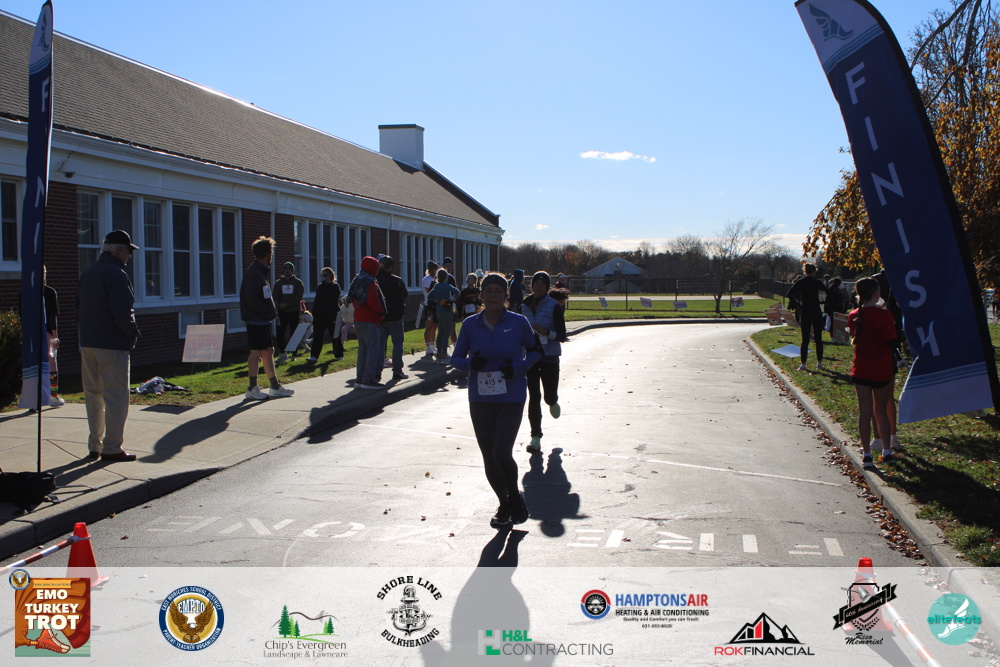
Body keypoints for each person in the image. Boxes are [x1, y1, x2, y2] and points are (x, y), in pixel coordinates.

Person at [450, 273, 542, 528]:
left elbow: (536, 350)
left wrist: (518, 368)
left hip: (511, 395)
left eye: (498, 291)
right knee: (489, 456)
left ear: (505, 296)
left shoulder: (519, 322)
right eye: (488, 291)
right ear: (481, 295)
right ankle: (505, 504)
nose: (493, 295)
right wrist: (471, 363)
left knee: (501, 451)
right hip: (480, 397)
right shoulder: (470, 325)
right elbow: (455, 359)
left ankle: (514, 496)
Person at [75, 230, 141, 461]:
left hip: (88, 343)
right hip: (113, 344)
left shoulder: (88, 273)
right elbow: (123, 311)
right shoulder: (117, 275)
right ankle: (112, 447)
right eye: (128, 251)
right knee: (115, 397)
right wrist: (132, 333)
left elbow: (78, 306)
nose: (129, 256)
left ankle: (95, 444)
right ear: (118, 250)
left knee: (93, 395)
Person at [848, 277, 900, 469]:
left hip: (861, 368)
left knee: (865, 412)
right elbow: (892, 341)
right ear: (876, 293)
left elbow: (854, 336)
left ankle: (867, 454)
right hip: (881, 369)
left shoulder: (853, 315)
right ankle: (887, 451)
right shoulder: (884, 315)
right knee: (881, 411)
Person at [240, 236, 294, 400]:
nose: (272, 255)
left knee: (268, 350)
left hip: (261, 318)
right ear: (266, 254)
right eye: (271, 252)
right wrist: (267, 311)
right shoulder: (254, 274)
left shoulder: (259, 272)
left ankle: (274, 386)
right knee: (256, 351)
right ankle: (252, 387)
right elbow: (252, 299)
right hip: (256, 319)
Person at [519, 271, 566, 453]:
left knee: (548, 396)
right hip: (530, 357)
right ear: (531, 286)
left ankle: (553, 401)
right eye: (535, 284)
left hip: (549, 357)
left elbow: (562, 335)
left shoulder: (553, 306)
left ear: (547, 287)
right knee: (534, 397)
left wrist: (546, 332)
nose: (538, 287)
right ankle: (535, 437)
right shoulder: (523, 306)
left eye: (542, 284)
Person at [348, 256, 386, 389]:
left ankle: (360, 378)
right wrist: (381, 311)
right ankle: (368, 379)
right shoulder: (371, 282)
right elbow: (373, 300)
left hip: (358, 318)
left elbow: (352, 298)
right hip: (369, 319)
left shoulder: (357, 279)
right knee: (373, 350)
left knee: (363, 350)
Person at [786, 263, 829, 371]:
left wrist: (797, 302)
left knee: (805, 339)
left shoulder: (800, 282)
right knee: (818, 338)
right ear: (814, 271)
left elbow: (789, 294)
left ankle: (803, 364)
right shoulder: (817, 282)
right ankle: (819, 362)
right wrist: (823, 302)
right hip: (816, 310)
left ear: (805, 271)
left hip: (805, 310)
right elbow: (828, 292)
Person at [376, 255, 409, 380]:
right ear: (391, 267)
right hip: (396, 317)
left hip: (380, 317)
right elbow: (405, 295)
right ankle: (397, 371)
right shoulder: (397, 281)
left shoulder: (375, 281)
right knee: (398, 345)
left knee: (379, 346)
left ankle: (377, 371)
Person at [308, 267, 344, 362]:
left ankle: (339, 354)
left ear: (330, 276)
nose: (323, 277)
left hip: (332, 315)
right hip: (320, 315)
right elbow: (317, 301)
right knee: (317, 336)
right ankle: (314, 356)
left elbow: (333, 301)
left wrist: (335, 317)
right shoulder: (320, 287)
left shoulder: (335, 286)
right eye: (322, 275)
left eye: (325, 275)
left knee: (335, 335)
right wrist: (314, 314)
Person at [426, 268, 461, 364]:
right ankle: (444, 354)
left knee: (440, 332)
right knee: (446, 332)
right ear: (446, 277)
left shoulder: (436, 286)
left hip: (438, 310)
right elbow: (457, 292)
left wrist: (436, 300)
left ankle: (439, 354)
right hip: (446, 310)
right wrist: (452, 299)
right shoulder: (447, 286)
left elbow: (429, 296)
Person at [272, 262, 305, 364]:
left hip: (293, 311)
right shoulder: (278, 283)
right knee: (280, 333)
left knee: (294, 333)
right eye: (285, 268)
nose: (287, 270)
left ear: (292, 270)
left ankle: (294, 354)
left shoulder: (298, 283)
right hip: (281, 312)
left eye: (289, 269)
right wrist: (277, 306)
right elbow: (275, 296)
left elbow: (298, 297)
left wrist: (287, 304)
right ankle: (283, 353)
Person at [421, 260, 439, 357]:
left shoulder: (435, 279)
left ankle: (432, 345)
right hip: (429, 305)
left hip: (435, 305)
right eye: (435, 269)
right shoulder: (427, 279)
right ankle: (428, 347)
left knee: (434, 326)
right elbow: (430, 292)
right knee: (429, 326)